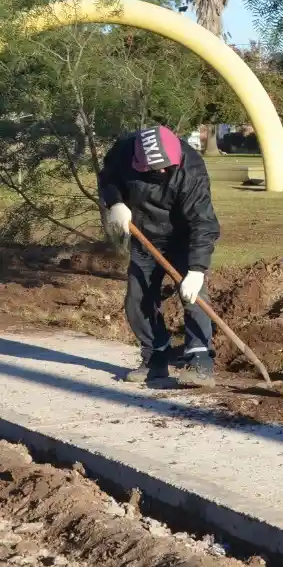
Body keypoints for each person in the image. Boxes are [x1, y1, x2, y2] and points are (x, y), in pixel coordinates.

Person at [98, 125, 221, 386]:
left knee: (194, 297)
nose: (163, 172)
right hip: (145, 237)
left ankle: (200, 361)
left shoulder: (191, 168)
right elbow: (108, 178)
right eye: (156, 169)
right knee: (137, 299)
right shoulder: (123, 152)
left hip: (183, 238)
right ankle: (155, 357)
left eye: (167, 166)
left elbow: (203, 222)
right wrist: (116, 202)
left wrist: (196, 270)